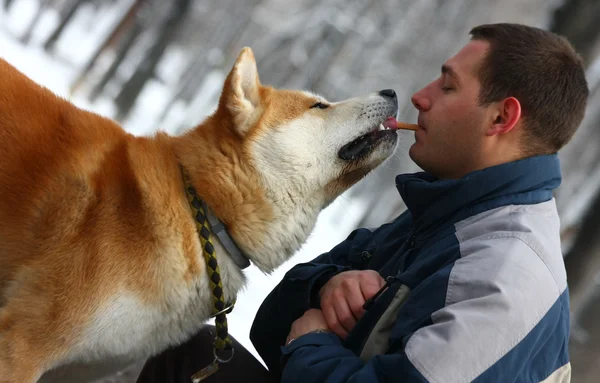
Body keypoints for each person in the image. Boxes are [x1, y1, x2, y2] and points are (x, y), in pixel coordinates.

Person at [137, 23, 588, 382]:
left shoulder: (506, 276)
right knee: (193, 357)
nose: (419, 96)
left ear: (501, 117)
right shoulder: (446, 214)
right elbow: (270, 324)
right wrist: (326, 288)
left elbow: (295, 341)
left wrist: (310, 343)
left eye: (447, 87)